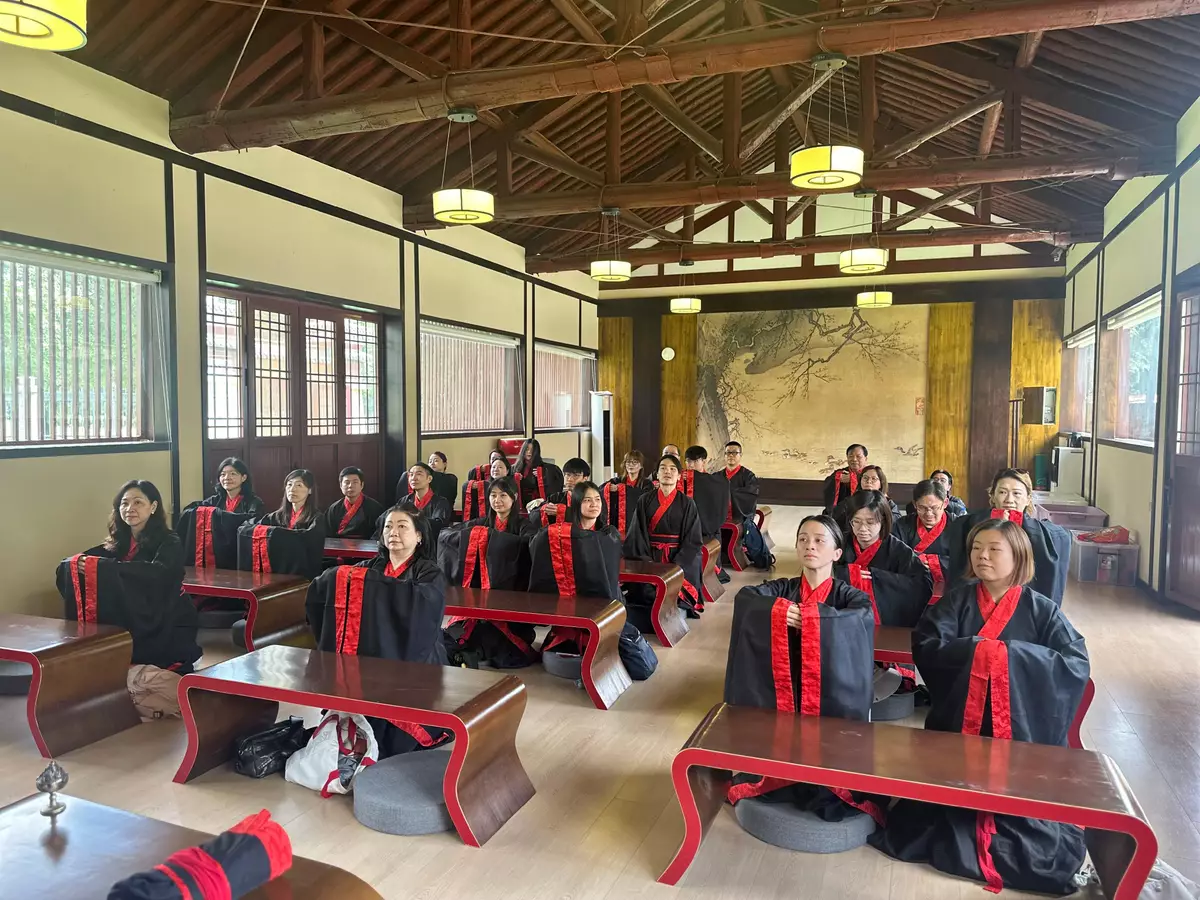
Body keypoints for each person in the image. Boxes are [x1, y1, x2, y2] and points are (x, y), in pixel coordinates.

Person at [869, 519, 1090, 895]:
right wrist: (981, 653)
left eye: (994, 549)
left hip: (1019, 731)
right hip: (960, 722)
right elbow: (927, 645)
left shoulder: (1042, 610)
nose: (982, 556)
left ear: (1018, 557)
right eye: (976, 548)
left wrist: (1007, 657)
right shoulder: (957, 600)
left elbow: (1075, 663)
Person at [724, 515, 879, 823]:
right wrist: (778, 611)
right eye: (803, 540)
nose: (810, 546)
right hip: (784, 689)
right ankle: (777, 772)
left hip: (828, 692)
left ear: (837, 552)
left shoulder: (851, 598)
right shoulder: (783, 589)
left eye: (820, 540)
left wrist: (812, 619)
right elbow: (746, 599)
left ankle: (828, 779)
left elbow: (857, 620)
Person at [306, 504, 450, 757]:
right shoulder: (367, 567)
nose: (394, 532)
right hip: (370, 653)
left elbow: (425, 608)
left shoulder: (429, 572)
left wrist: (377, 587)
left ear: (419, 536)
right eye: (388, 527)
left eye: (402, 526)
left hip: (414, 656)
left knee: (391, 744)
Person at [57, 480, 201, 674]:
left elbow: (159, 573)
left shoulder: (169, 540)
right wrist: (77, 563)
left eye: (138, 502)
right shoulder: (118, 542)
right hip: (131, 615)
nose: (130, 508)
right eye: (124, 503)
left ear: (153, 507)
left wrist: (108, 568)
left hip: (167, 617)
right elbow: (85, 560)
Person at [441, 477, 537, 668]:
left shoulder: (524, 525)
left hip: (510, 594)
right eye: (493, 495)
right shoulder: (481, 523)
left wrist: (492, 540)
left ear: (514, 497)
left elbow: (532, 544)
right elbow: (448, 534)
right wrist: (475, 538)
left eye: (503, 495)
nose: (497, 500)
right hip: (479, 593)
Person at [531, 481, 627, 661]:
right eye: (587, 500)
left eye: (597, 499)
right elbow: (536, 540)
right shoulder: (562, 534)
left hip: (600, 598)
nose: (594, 504)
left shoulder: (608, 533)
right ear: (576, 504)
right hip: (568, 598)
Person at [947, 468, 1071, 605]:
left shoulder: (1041, 531)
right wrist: (992, 520)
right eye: (1002, 492)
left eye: (1016, 493)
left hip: (1023, 605)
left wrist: (1021, 522)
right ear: (992, 496)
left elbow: (1063, 536)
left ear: (1028, 499)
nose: (1009, 500)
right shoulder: (970, 524)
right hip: (979, 602)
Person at [623, 454, 705, 625]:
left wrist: (676, 565)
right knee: (644, 589)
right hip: (649, 556)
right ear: (657, 474)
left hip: (677, 557)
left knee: (681, 578)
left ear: (679, 475)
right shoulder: (644, 500)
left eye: (672, 469)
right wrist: (647, 562)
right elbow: (636, 534)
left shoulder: (687, 503)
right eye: (663, 468)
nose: (667, 472)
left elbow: (693, 540)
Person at [836, 490, 933, 628]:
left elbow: (923, 585)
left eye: (870, 522)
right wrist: (846, 574)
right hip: (842, 620)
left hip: (883, 624)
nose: (862, 528)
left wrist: (877, 578)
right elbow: (821, 573)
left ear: (883, 521)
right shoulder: (839, 545)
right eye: (856, 521)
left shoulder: (899, 551)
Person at [243, 469, 326, 578]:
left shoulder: (316, 518)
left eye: (299, 485)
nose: (292, 489)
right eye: (289, 485)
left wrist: (277, 534)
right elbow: (248, 526)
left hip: (301, 572)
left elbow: (310, 541)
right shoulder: (276, 516)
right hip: (276, 569)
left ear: (310, 490)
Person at [894, 480, 953, 599]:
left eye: (934, 508)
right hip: (908, 590)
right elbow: (894, 555)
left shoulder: (958, 526)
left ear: (945, 503)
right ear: (914, 504)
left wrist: (933, 562)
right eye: (922, 508)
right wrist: (916, 561)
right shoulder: (902, 525)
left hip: (949, 593)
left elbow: (965, 561)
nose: (928, 514)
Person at [721, 441, 773, 570]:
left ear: (740, 455)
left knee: (746, 527)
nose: (731, 455)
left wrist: (730, 493)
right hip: (720, 517)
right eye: (728, 453)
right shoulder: (718, 476)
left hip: (739, 515)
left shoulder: (748, 476)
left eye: (735, 453)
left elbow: (751, 494)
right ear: (724, 455)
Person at [528, 457, 600, 526]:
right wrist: (544, 509)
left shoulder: (593, 499)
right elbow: (533, 516)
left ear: (585, 478)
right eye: (568, 475)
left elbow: (598, 518)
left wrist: (563, 512)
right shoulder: (556, 498)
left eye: (576, 475)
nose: (570, 479)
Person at [681, 446, 730, 541]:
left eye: (695, 461)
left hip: (705, 532)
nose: (691, 465)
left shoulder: (712, 483)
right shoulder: (679, 480)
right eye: (689, 461)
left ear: (704, 462)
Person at [323, 466, 386, 540]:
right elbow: (328, 535)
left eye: (355, 482)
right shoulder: (333, 509)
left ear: (362, 485)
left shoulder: (375, 508)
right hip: (338, 545)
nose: (350, 486)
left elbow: (378, 534)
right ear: (341, 486)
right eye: (347, 482)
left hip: (367, 545)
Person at [834, 463, 901, 529]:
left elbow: (895, 524)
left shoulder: (889, 504)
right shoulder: (850, 501)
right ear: (860, 481)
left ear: (881, 483)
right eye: (865, 478)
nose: (868, 481)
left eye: (873, 478)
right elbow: (834, 519)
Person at [605, 450, 653, 540]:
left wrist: (622, 489)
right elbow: (602, 489)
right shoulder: (617, 481)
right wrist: (609, 488)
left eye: (635, 462)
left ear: (641, 466)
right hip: (617, 522)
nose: (631, 465)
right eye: (628, 462)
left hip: (638, 521)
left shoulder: (647, 483)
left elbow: (645, 496)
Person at [400, 462, 454, 540]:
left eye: (419, 474)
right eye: (411, 475)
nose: (414, 478)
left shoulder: (441, 502)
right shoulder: (404, 500)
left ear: (429, 479)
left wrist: (409, 520)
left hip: (431, 543)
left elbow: (438, 525)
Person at [193, 457, 265, 516]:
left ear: (243, 478)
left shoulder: (254, 503)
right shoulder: (214, 501)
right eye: (223, 474)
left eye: (233, 474)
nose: (227, 478)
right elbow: (193, 510)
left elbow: (252, 525)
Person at [515, 438, 565, 507]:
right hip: (521, 504)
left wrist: (544, 476)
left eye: (533, 450)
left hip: (538, 504)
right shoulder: (515, 468)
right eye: (527, 449)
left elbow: (556, 487)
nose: (529, 452)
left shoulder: (547, 469)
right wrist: (516, 478)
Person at [822, 443, 869, 513]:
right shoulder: (840, 473)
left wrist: (853, 479)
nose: (854, 459)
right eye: (851, 456)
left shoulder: (871, 473)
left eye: (858, 456)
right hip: (841, 512)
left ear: (865, 458)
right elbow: (827, 485)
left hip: (865, 511)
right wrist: (838, 479)